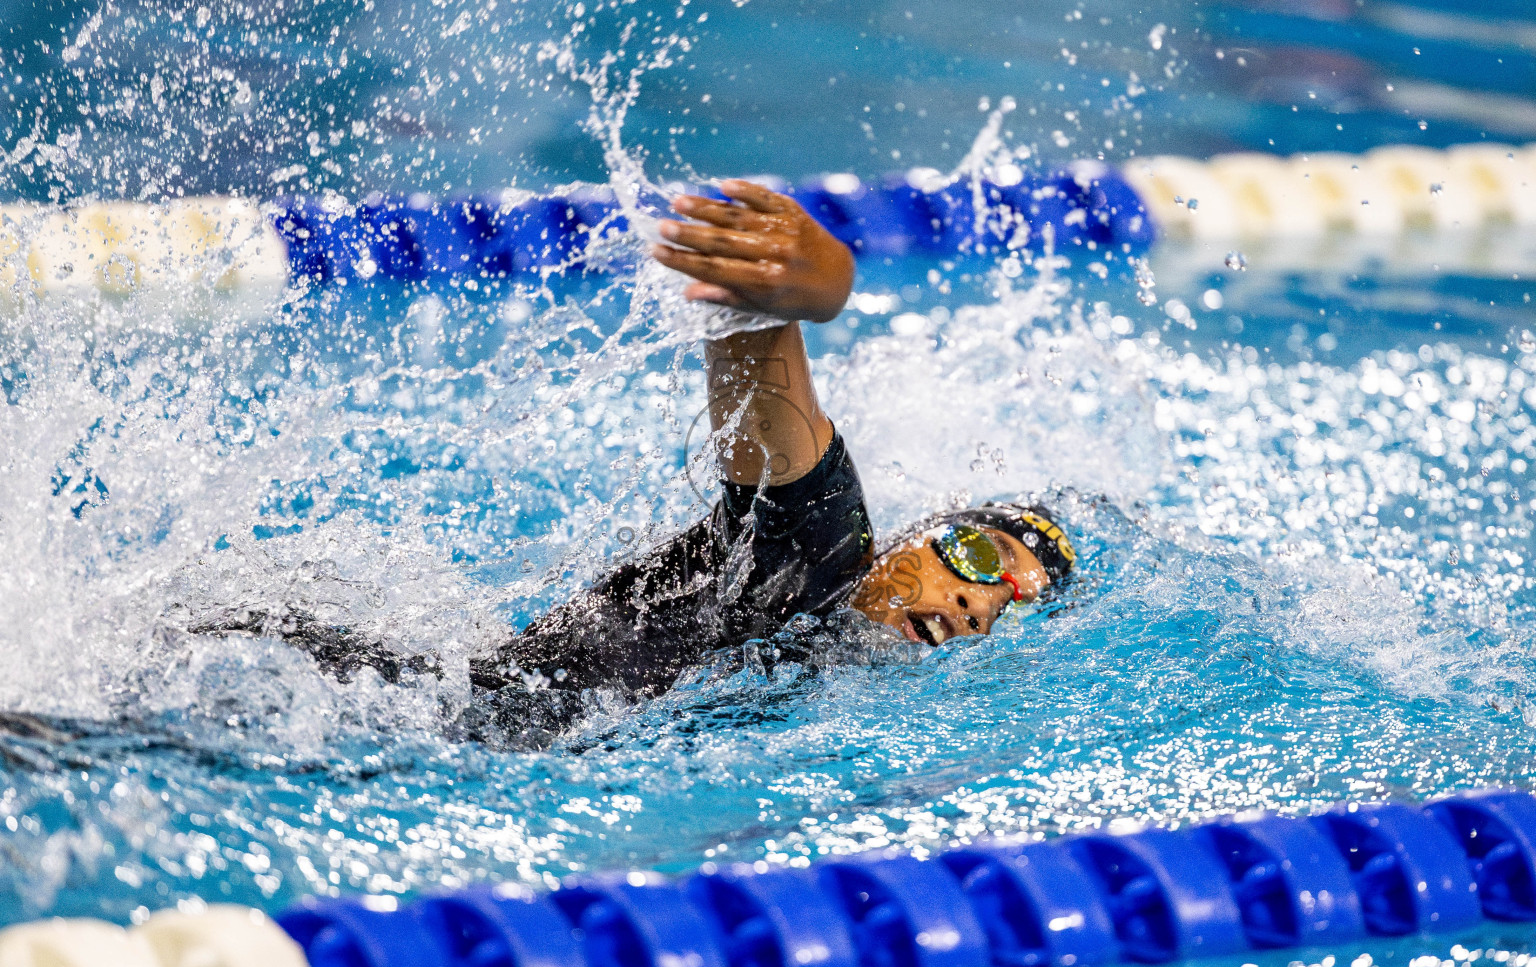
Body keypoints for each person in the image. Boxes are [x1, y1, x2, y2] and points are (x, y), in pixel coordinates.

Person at [215, 181, 1077, 747]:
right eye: (980, 560)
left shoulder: (834, 676)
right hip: (346, 712)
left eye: (1012, 607)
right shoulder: (817, 560)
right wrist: (809, 289)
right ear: (918, 537)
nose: (978, 605)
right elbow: (767, 391)